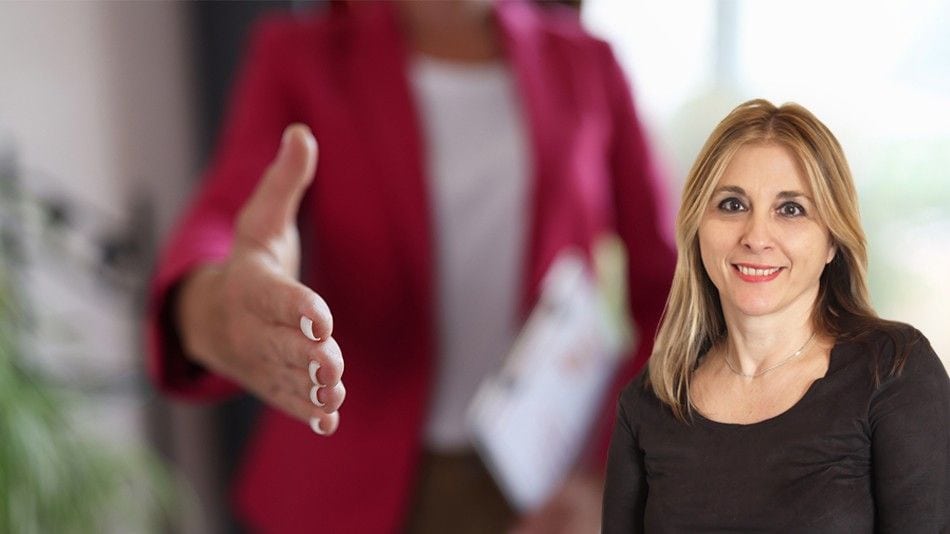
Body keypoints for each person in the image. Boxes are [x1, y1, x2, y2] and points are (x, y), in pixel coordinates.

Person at [147, 1, 675, 532]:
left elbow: (673, 289)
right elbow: (225, 218)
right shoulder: (301, 56)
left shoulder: (590, 65)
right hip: (346, 484)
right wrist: (215, 310)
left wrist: (618, 467)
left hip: (546, 490)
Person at [602, 98, 950, 532]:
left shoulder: (895, 372)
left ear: (831, 242)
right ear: (697, 228)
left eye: (791, 209)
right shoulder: (651, 401)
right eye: (732, 204)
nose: (757, 236)